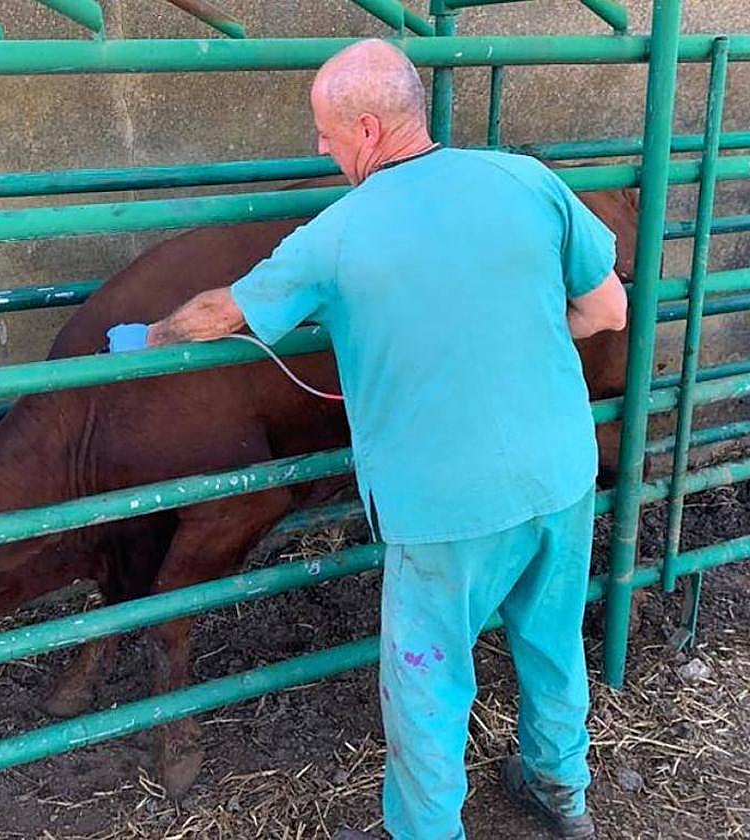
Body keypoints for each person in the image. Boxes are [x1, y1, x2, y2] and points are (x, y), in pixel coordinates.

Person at [107, 39, 627, 840]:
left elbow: (222, 315)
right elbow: (607, 314)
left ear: (372, 131)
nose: (321, 147)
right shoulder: (526, 178)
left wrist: (147, 336)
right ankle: (563, 790)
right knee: (553, 643)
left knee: (427, 684)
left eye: (328, 131)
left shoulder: (338, 234)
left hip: (444, 506)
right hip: (561, 474)